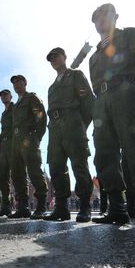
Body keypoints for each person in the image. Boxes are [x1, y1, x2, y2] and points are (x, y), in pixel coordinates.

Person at [89, 3, 135, 228]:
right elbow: (95, 85)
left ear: (116, 16)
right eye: (96, 18)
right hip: (101, 102)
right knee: (104, 154)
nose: (100, 20)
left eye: (104, 15)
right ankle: (117, 208)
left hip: (125, 93)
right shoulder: (93, 57)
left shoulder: (130, 35)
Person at [42, 47, 95, 223]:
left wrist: (80, 126)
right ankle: (61, 208)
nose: (53, 60)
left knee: (79, 165)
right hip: (55, 128)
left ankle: (85, 206)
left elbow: (88, 103)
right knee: (56, 167)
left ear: (65, 57)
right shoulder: (51, 87)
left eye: (56, 56)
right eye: (50, 58)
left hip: (72, 123)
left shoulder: (76, 75)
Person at [8, 75, 48, 219]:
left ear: (25, 83)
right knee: (17, 174)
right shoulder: (16, 104)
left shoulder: (31, 97)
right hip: (16, 141)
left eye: (19, 81)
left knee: (34, 171)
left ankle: (41, 205)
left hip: (29, 138)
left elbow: (41, 117)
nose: (16, 84)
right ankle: (23, 207)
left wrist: (37, 138)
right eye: (14, 83)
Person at [0, 90, 14, 217]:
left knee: (17, 175)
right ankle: (5, 206)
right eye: (1, 96)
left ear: (11, 97)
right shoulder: (3, 113)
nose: (3, 97)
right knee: (3, 178)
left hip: (13, 144)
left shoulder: (15, 108)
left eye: (6, 95)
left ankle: (23, 206)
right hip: (4, 148)